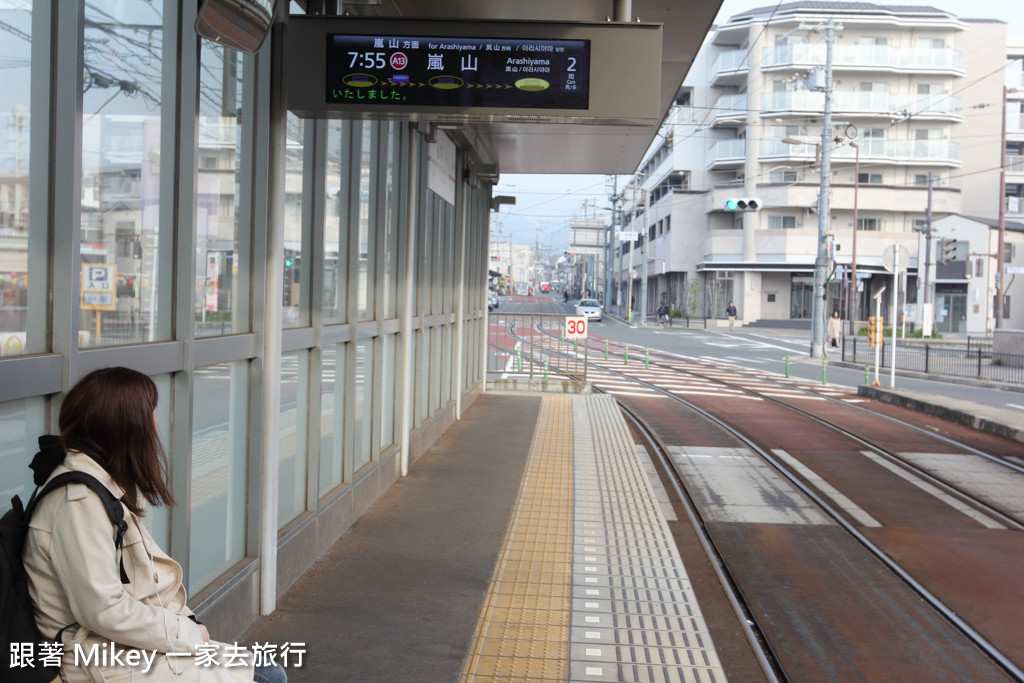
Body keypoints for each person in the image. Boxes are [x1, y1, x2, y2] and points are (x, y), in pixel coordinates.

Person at [23, 367, 287, 683]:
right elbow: (103, 611)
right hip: (99, 662)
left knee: (266, 670)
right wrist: (188, 633)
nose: (156, 425)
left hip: (119, 650)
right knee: (267, 676)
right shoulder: (76, 504)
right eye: (151, 414)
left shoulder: (95, 484)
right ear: (126, 427)